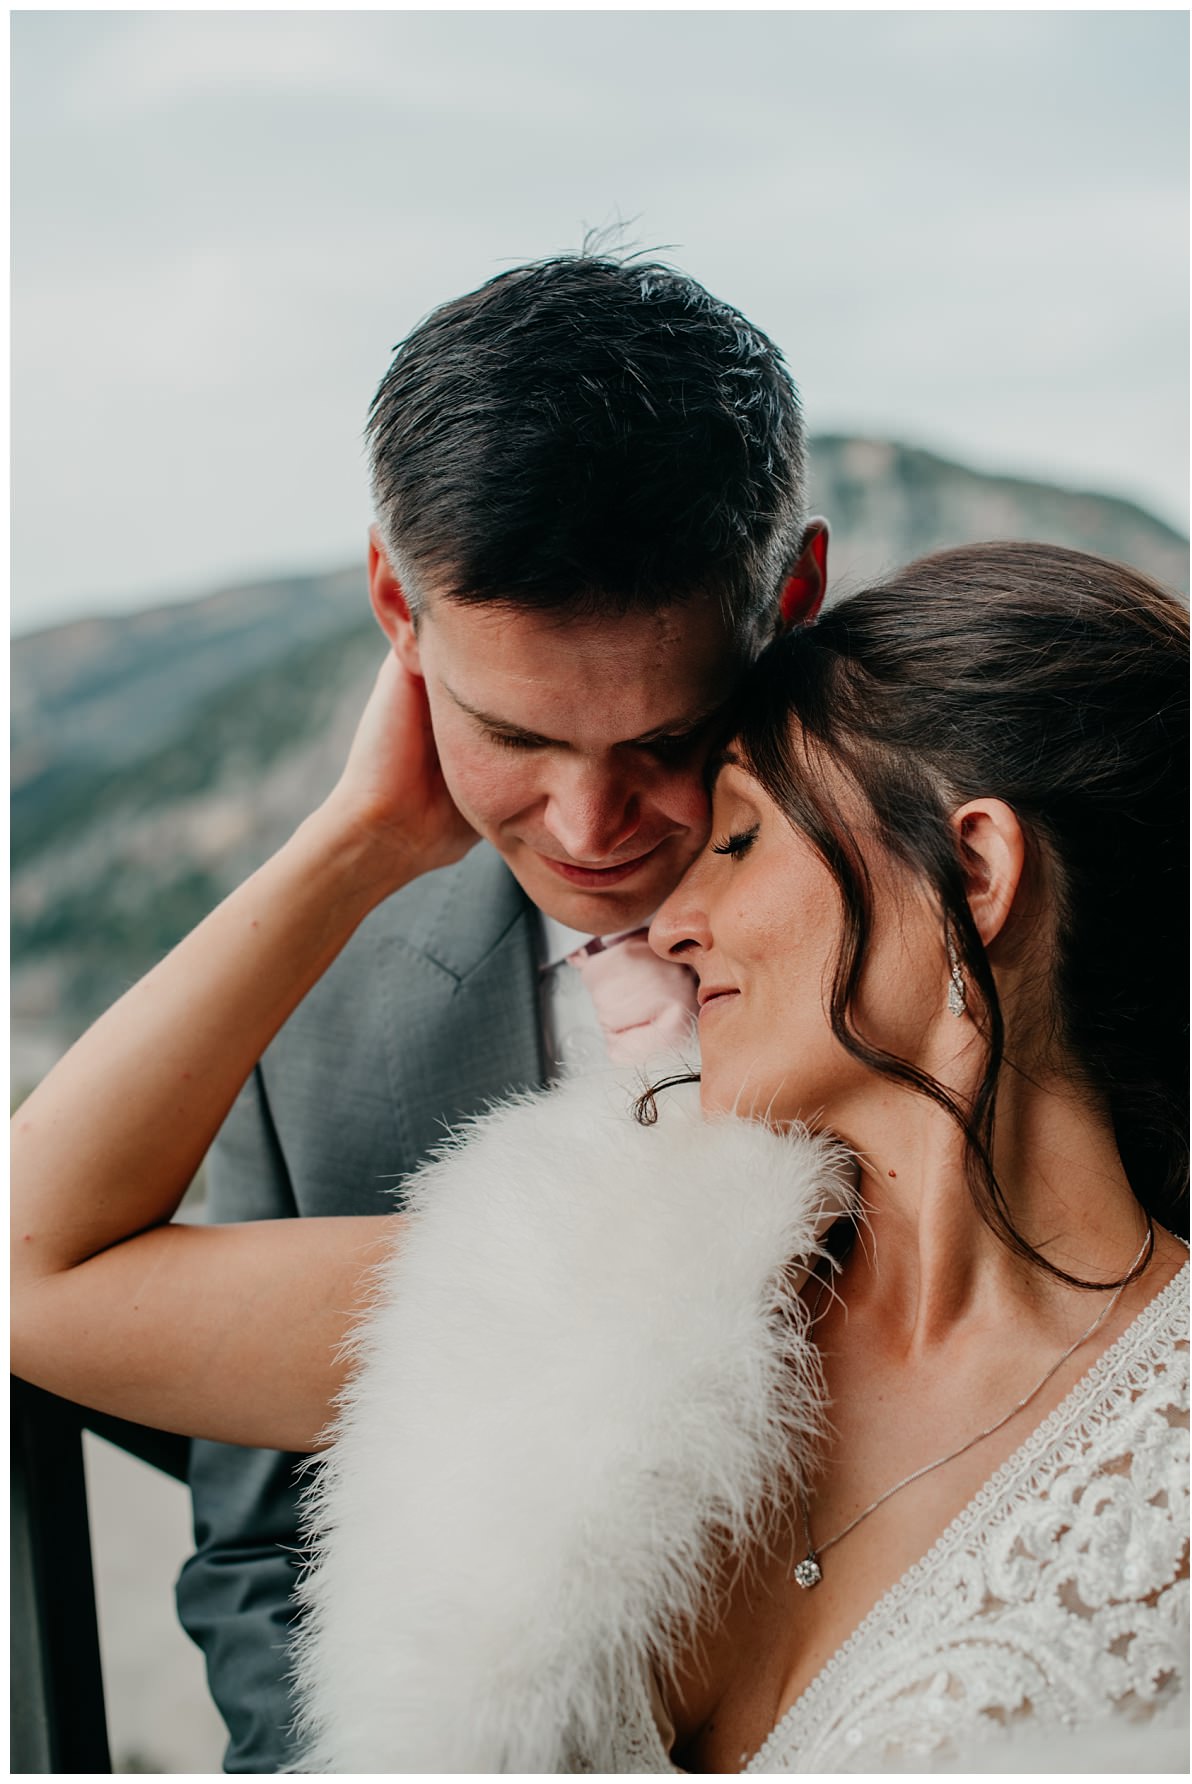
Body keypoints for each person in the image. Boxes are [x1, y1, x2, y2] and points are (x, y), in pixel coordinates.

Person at [12, 542, 1188, 1772]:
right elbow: (32, 1268)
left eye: (736, 840)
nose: (674, 922)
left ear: (976, 871)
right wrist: (356, 837)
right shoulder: (602, 1249)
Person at [171, 250, 829, 1768]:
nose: (592, 823)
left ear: (791, 597)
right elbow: (263, 1555)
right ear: (399, 607)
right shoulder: (316, 1011)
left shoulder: (967, 931)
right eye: (515, 733)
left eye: (668, 736)